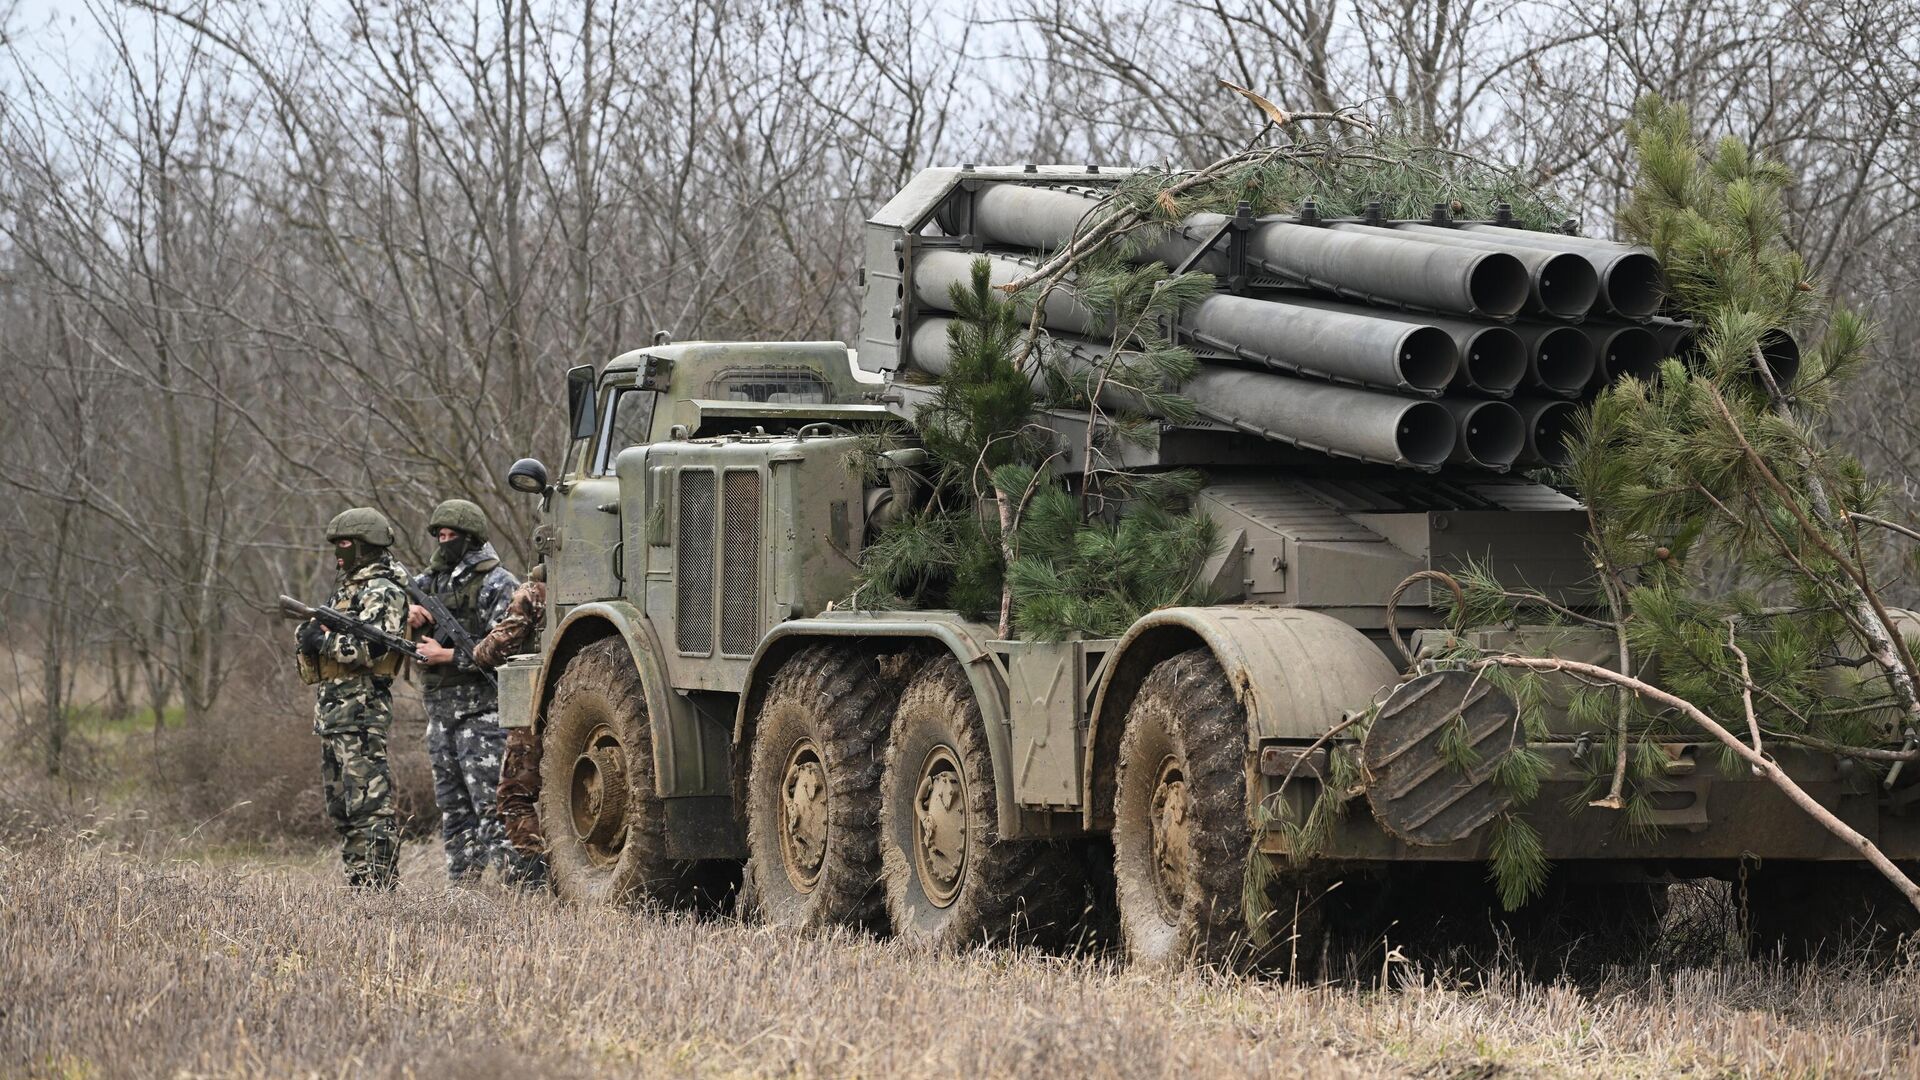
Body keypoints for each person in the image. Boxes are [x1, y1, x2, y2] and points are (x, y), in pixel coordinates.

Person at [409, 498, 523, 884]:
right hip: (440, 714)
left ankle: (521, 889)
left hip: (484, 714)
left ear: (471, 538)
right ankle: (464, 891)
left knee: (494, 806)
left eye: (451, 535)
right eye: (439, 535)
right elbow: (395, 623)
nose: (444, 542)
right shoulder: (429, 583)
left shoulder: (498, 582)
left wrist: (448, 655)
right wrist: (408, 618)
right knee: (453, 809)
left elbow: (508, 647)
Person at [294, 507, 409, 890]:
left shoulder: (384, 590)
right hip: (332, 714)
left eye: (344, 544)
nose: (338, 552)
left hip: (362, 714)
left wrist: (322, 640)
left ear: (364, 546)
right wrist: (307, 639)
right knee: (341, 808)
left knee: (370, 807)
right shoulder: (347, 588)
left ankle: (380, 888)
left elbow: (371, 650)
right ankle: (359, 883)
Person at [472, 563, 548, 877]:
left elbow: (498, 644)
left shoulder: (533, 592)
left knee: (513, 793)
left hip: (536, 705)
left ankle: (534, 872)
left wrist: (477, 652)